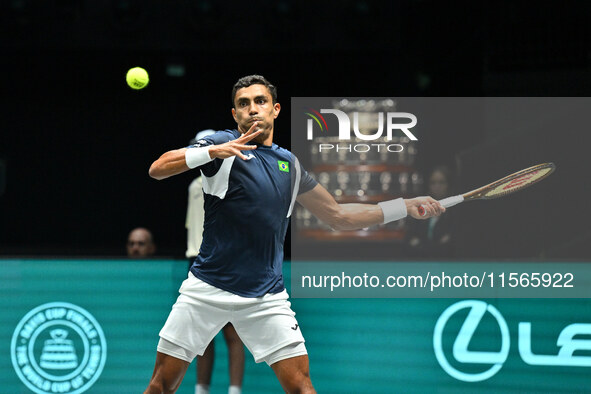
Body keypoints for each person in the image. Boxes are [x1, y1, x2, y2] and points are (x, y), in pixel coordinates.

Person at [144, 75, 445, 394]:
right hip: (206, 288)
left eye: (260, 101)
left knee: (302, 386)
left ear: (275, 110)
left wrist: (404, 205)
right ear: (235, 115)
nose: (252, 109)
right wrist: (212, 152)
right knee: (161, 385)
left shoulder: (289, 164)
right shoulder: (223, 145)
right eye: (243, 104)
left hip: (266, 297)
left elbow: (338, 216)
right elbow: (158, 168)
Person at [186, 129, 245, 394]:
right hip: (197, 262)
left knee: (232, 333)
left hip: (226, 261)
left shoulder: (232, 182)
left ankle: (234, 391)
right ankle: (202, 390)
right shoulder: (194, 186)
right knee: (202, 335)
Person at [407, 166, 455, 258]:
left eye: (441, 182)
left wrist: (422, 245)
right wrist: (436, 247)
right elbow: (409, 241)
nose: (437, 186)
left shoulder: (455, 213)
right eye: (433, 183)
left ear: (448, 184)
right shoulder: (419, 208)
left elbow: (449, 246)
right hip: (419, 264)